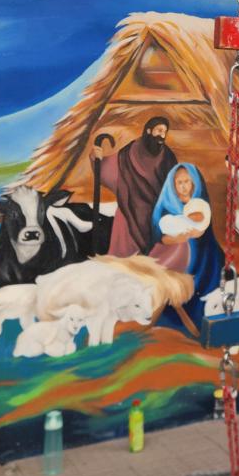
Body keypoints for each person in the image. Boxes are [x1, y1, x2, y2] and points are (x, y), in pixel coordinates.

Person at [150, 163, 223, 330]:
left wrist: (194, 234)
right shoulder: (166, 205)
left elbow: (204, 232)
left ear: (194, 183)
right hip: (174, 254)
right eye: (179, 182)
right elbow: (159, 236)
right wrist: (178, 239)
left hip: (202, 257)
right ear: (173, 184)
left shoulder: (200, 206)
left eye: (187, 182)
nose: (183, 186)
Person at [94, 116, 176, 258]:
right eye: (159, 130)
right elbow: (112, 167)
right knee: (124, 255)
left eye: (164, 132)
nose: (162, 135)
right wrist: (97, 159)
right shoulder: (130, 151)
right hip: (129, 206)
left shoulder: (168, 156)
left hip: (157, 208)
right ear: (149, 130)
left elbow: (173, 181)